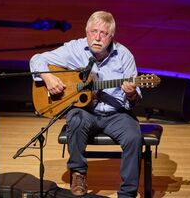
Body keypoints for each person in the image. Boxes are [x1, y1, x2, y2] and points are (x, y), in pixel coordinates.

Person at [30, 11, 142, 198]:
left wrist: (131, 93)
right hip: (86, 111)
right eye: (93, 31)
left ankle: (128, 193)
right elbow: (37, 59)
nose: (97, 37)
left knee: (133, 137)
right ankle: (78, 174)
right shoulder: (74, 49)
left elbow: (135, 98)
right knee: (75, 118)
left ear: (111, 36)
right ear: (86, 31)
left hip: (117, 114)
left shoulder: (124, 55)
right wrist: (47, 77)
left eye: (103, 33)